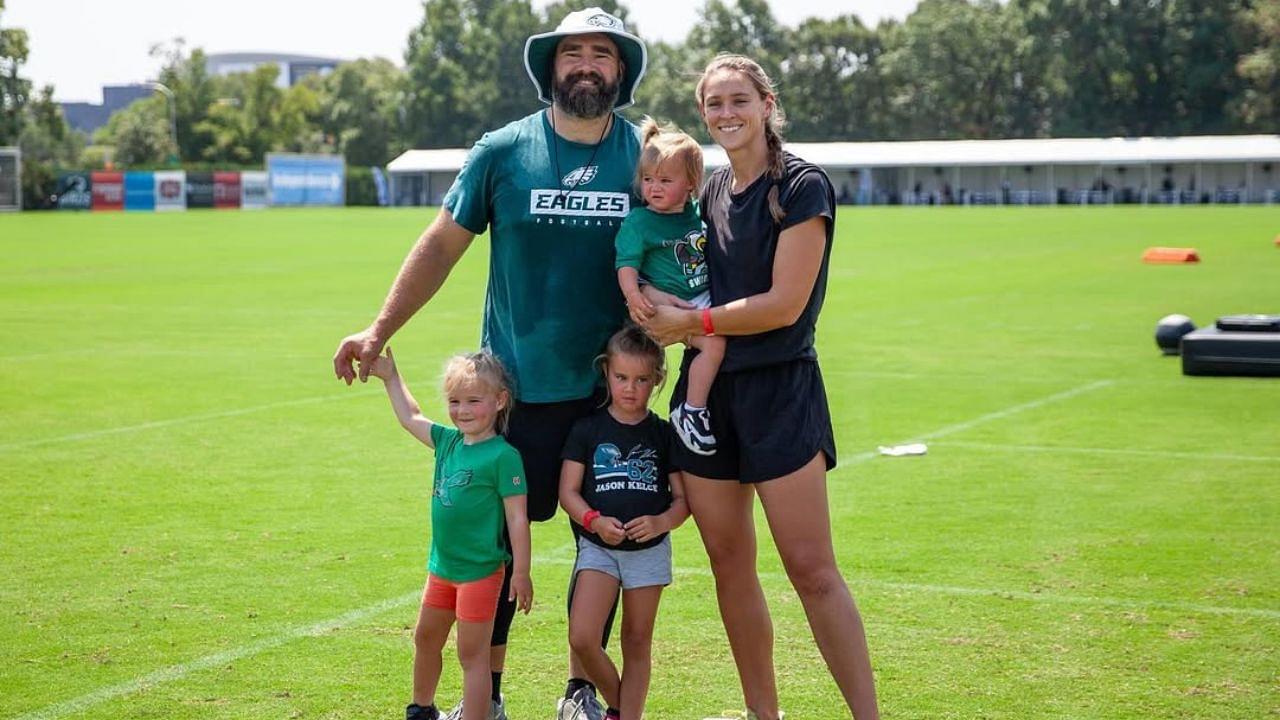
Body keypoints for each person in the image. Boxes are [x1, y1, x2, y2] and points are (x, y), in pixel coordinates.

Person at [333, 8, 647, 720]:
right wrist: (380, 329)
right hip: (515, 396)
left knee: (601, 551)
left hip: (610, 399)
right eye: (573, 54)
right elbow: (442, 245)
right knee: (492, 551)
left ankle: (580, 691)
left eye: (602, 54)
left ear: (620, 71)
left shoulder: (645, 155)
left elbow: (678, 246)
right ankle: (492, 695)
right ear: (551, 69)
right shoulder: (502, 152)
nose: (587, 65)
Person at [636, 54, 880, 720]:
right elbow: (665, 258)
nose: (725, 114)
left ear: (767, 103)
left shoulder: (801, 186)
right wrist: (654, 308)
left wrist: (691, 322)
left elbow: (783, 304)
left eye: (738, 99)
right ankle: (760, 714)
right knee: (729, 565)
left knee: (810, 569)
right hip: (708, 399)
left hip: (781, 392)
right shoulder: (708, 192)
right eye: (713, 104)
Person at [364, 348, 532, 720]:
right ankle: (421, 709)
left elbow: (518, 519)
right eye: (455, 401)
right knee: (425, 639)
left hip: (480, 574)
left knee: (472, 657)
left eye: (474, 401)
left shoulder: (503, 457)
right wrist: (391, 376)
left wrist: (521, 572)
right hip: (441, 570)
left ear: (499, 401)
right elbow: (411, 417)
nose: (463, 410)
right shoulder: (448, 442)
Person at [558, 326, 689, 720]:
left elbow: (683, 502)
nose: (630, 388)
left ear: (657, 380)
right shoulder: (587, 429)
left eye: (642, 380)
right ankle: (622, 706)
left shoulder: (664, 434)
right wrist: (593, 521)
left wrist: (661, 521)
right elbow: (568, 493)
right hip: (599, 549)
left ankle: (626, 714)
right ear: (606, 374)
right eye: (621, 378)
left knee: (636, 641)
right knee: (583, 636)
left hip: (647, 554)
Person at [614, 119, 723, 456]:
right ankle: (692, 409)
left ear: (691, 183)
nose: (654, 188)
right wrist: (634, 296)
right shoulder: (640, 221)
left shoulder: (696, 214)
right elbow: (626, 265)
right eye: (647, 180)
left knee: (727, 334)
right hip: (665, 308)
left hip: (699, 296)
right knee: (715, 343)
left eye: (664, 180)